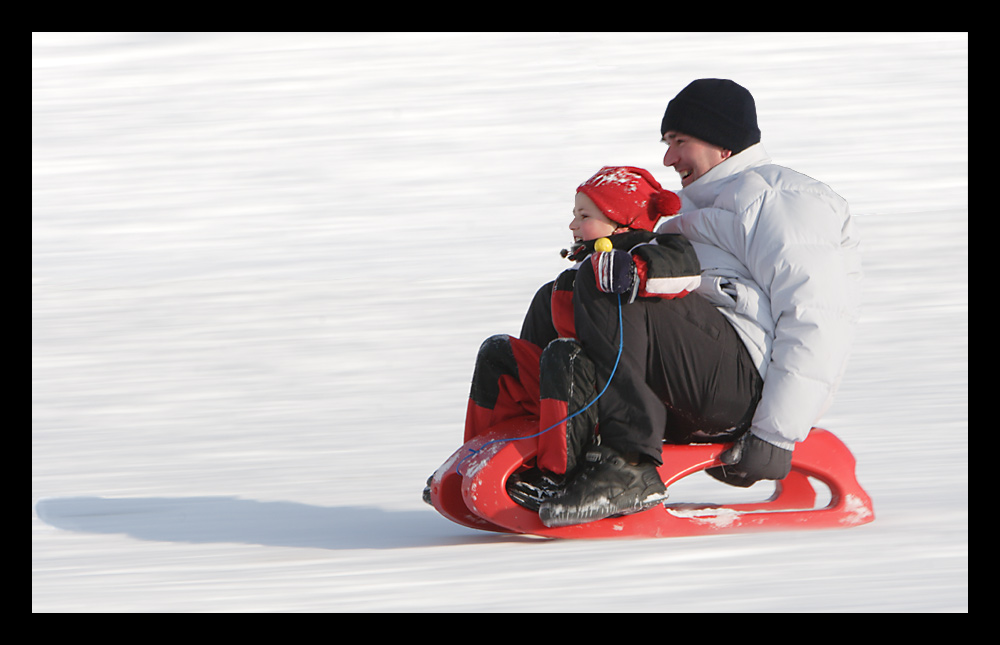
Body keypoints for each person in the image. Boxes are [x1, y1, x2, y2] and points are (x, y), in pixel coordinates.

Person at [538, 78, 862, 527]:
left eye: (679, 142)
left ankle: (628, 463)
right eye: (666, 143)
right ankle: (545, 446)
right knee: (565, 289)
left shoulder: (783, 199)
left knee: (609, 280)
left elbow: (818, 317)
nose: (668, 158)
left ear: (722, 143)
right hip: (694, 379)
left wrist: (775, 433)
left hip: (744, 390)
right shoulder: (690, 209)